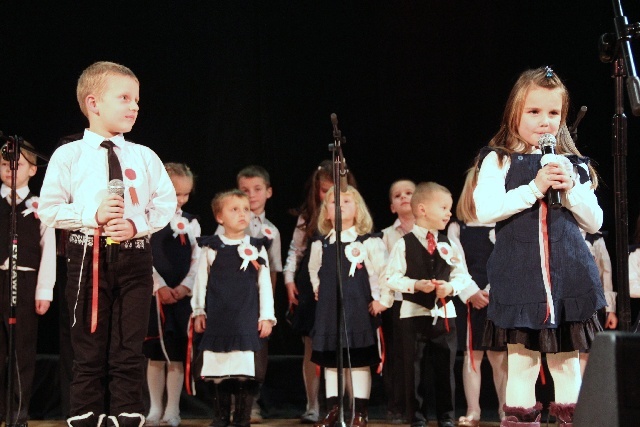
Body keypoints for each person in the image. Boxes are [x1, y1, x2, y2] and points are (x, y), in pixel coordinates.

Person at [38, 61, 177, 427]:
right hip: (89, 255)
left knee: (129, 343)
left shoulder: (144, 156)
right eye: (125, 98)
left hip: (134, 257)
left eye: (137, 100)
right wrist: (91, 214)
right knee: (89, 342)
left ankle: (127, 412)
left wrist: (135, 223)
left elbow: (165, 203)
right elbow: (49, 210)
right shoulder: (69, 156)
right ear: (94, 102)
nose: (134, 106)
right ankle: (85, 413)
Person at [473, 66, 606, 427]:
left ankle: (571, 419)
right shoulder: (498, 159)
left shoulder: (572, 165)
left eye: (553, 113)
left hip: (568, 278)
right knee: (523, 363)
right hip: (520, 279)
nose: (544, 121)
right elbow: (484, 210)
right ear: (514, 112)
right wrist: (534, 187)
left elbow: (595, 222)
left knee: (566, 363)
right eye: (534, 112)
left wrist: (570, 187)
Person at [385, 182, 474, 427]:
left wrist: (451, 288)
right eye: (444, 208)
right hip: (413, 315)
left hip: (444, 314)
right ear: (423, 210)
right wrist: (416, 285)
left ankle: (446, 416)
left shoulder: (448, 244)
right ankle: (418, 417)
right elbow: (389, 277)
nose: (449, 213)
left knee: (445, 369)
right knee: (413, 370)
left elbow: (462, 275)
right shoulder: (404, 243)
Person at [309, 185, 393, 427]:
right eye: (334, 202)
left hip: (358, 310)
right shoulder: (321, 243)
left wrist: (383, 301)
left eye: (347, 201)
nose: (340, 205)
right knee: (330, 360)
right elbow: (314, 269)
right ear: (326, 212)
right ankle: (333, 409)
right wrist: (317, 287)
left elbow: (385, 271)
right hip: (328, 312)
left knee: (358, 360)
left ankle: (360, 412)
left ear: (358, 210)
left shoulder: (367, 241)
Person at [191, 189, 276, 427]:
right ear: (220, 217)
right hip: (220, 318)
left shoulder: (257, 247)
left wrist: (267, 316)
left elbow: (265, 285)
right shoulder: (212, 247)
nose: (242, 214)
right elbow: (201, 282)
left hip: (246, 318)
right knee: (220, 369)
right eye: (234, 209)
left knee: (243, 368)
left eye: (246, 209)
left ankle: (241, 417)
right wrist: (199, 310)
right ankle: (220, 416)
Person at [283, 160, 354, 424]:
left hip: (346, 287)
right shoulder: (308, 217)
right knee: (311, 349)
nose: (329, 196)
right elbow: (295, 252)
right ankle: (313, 405)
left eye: (334, 190)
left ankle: (347, 407)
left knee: (346, 347)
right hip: (311, 289)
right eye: (324, 191)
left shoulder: (354, 217)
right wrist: (289, 279)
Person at [215, 165, 281, 423]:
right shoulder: (224, 226)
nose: (251, 195)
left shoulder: (270, 231)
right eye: (244, 190)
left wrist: (267, 308)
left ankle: (250, 406)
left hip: (256, 303)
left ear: (268, 192)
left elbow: (273, 270)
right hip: (229, 303)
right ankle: (227, 407)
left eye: (256, 190)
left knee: (256, 357)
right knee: (229, 354)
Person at [0, 141, 56, 427]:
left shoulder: (39, 206)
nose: (10, 169)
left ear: (32, 169)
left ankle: (18, 413)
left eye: (17, 164)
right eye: (4, 163)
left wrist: (44, 290)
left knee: (22, 350)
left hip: (24, 280)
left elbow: (48, 250)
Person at [447, 168, 507, 426]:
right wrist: (471, 292)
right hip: (471, 300)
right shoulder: (457, 227)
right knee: (473, 356)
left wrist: (492, 292)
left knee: (500, 358)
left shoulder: (504, 224)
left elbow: (507, 261)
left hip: (498, 298)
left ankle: (507, 412)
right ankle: (473, 411)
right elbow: (454, 262)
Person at [144, 162, 201, 427]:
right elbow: (143, 255)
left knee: (176, 354)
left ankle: (172, 410)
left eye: (185, 195)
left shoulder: (191, 222)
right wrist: (160, 286)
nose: (180, 200)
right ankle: (155, 409)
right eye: (176, 193)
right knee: (156, 354)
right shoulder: (148, 218)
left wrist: (185, 287)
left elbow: (198, 259)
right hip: (156, 296)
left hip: (181, 298)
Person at [380, 179, 416, 423]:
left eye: (409, 193)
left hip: (424, 302)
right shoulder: (385, 236)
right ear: (392, 206)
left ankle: (418, 407)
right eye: (397, 195)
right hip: (396, 303)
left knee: (418, 356)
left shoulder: (432, 232)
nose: (403, 197)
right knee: (396, 356)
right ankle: (396, 406)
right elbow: (383, 273)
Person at [578, 228, 617, 374]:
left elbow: (606, 273)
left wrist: (610, 309)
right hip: (565, 301)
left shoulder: (595, 239)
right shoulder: (559, 230)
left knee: (587, 350)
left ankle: (584, 392)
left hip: (590, 304)